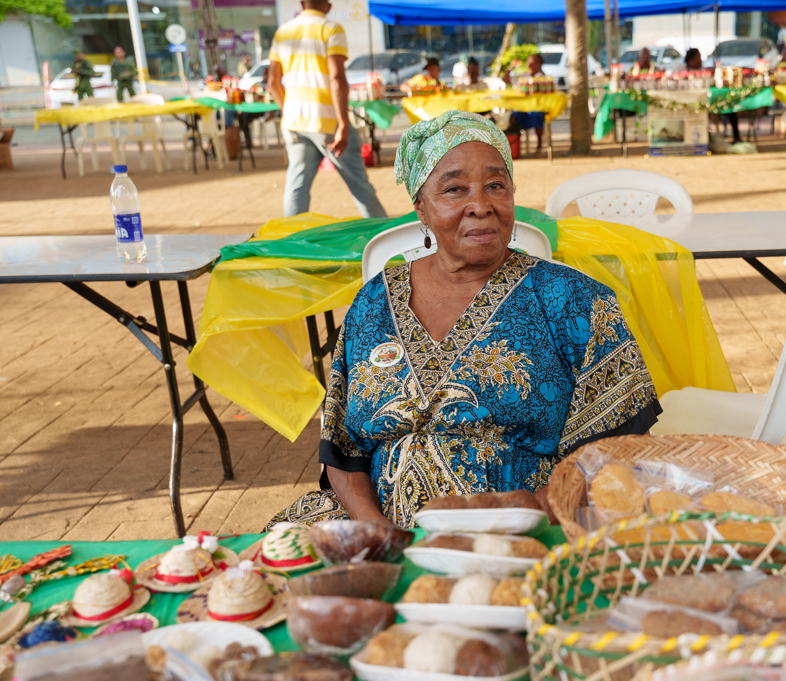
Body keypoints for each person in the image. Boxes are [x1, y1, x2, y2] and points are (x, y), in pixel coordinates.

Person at [266, 111, 660, 529]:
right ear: (421, 207)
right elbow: (343, 452)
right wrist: (373, 528)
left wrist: (527, 518)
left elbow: (620, 447)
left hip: (526, 528)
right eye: (454, 189)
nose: (480, 206)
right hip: (375, 526)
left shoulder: (575, 300)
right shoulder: (375, 301)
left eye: (496, 186)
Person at [268, 0, 386, 218]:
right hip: (328, 121)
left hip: (294, 123)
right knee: (359, 183)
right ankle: (384, 238)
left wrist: (289, 110)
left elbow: (273, 83)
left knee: (297, 186)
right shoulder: (330, 28)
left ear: (302, 3)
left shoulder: (282, 32)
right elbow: (337, 77)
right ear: (329, 6)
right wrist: (342, 124)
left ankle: (291, 239)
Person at [510, 54, 547, 152]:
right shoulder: (523, 77)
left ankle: (539, 144)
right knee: (513, 116)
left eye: (533, 63)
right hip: (523, 109)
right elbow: (505, 80)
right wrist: (511, 67)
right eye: (529, 63)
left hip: (538, 109)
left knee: (537, 115)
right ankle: (514, 146)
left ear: (540, 64)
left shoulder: (545, 79)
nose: (530, 65)